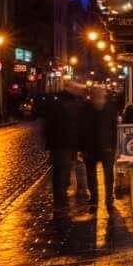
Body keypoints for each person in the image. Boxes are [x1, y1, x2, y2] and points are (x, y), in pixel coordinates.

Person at [44, 81, 86, 212]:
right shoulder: (69, 103)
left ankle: (59, 198)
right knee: (63, 169)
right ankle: (60, 200)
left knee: (60, 170)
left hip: (61, 143)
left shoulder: (59, 101)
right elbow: (71, 125)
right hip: (64, 143)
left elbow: (49, 124)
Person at [81, 85, 119, 208]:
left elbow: (114, 129)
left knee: (98, 175)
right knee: (103, 175)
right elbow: (114, 129)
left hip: (99, 147)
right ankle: (103, 197)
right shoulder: (108, 108)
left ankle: (99, 197)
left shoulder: (88, 108)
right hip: (99, 147)